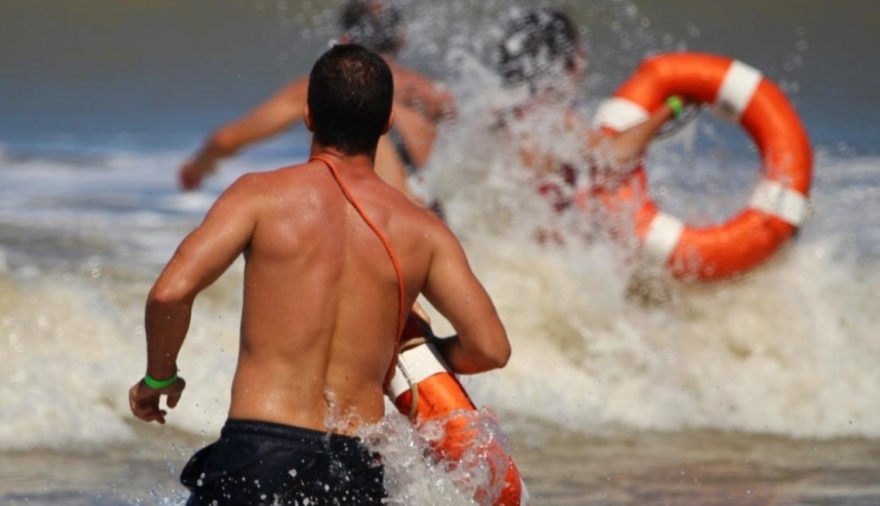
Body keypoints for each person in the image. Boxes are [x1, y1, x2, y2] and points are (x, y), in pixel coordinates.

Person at [128, 44, 509, 505]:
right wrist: (408, 356)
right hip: (354, 464)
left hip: (260, 451)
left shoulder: (259, 196)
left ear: (308, 115)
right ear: (387, 122)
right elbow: (490, 347)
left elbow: (170, 294)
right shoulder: (424, 231)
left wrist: (159, 377)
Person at [179, 0, 455, 210]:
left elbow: (226, 139)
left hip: (381, 225)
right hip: (432, 224)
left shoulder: (330, 83)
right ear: (400, 39)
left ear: (345, 40)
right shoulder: (434, 96)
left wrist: (198, 166)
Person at [493, 8, 685, 219]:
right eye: (579, 52)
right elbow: (614, 157)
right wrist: (672, 108)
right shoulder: (555, 119)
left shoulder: (499, 116)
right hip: (537, 242)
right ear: (566, 62)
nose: (583, 61)